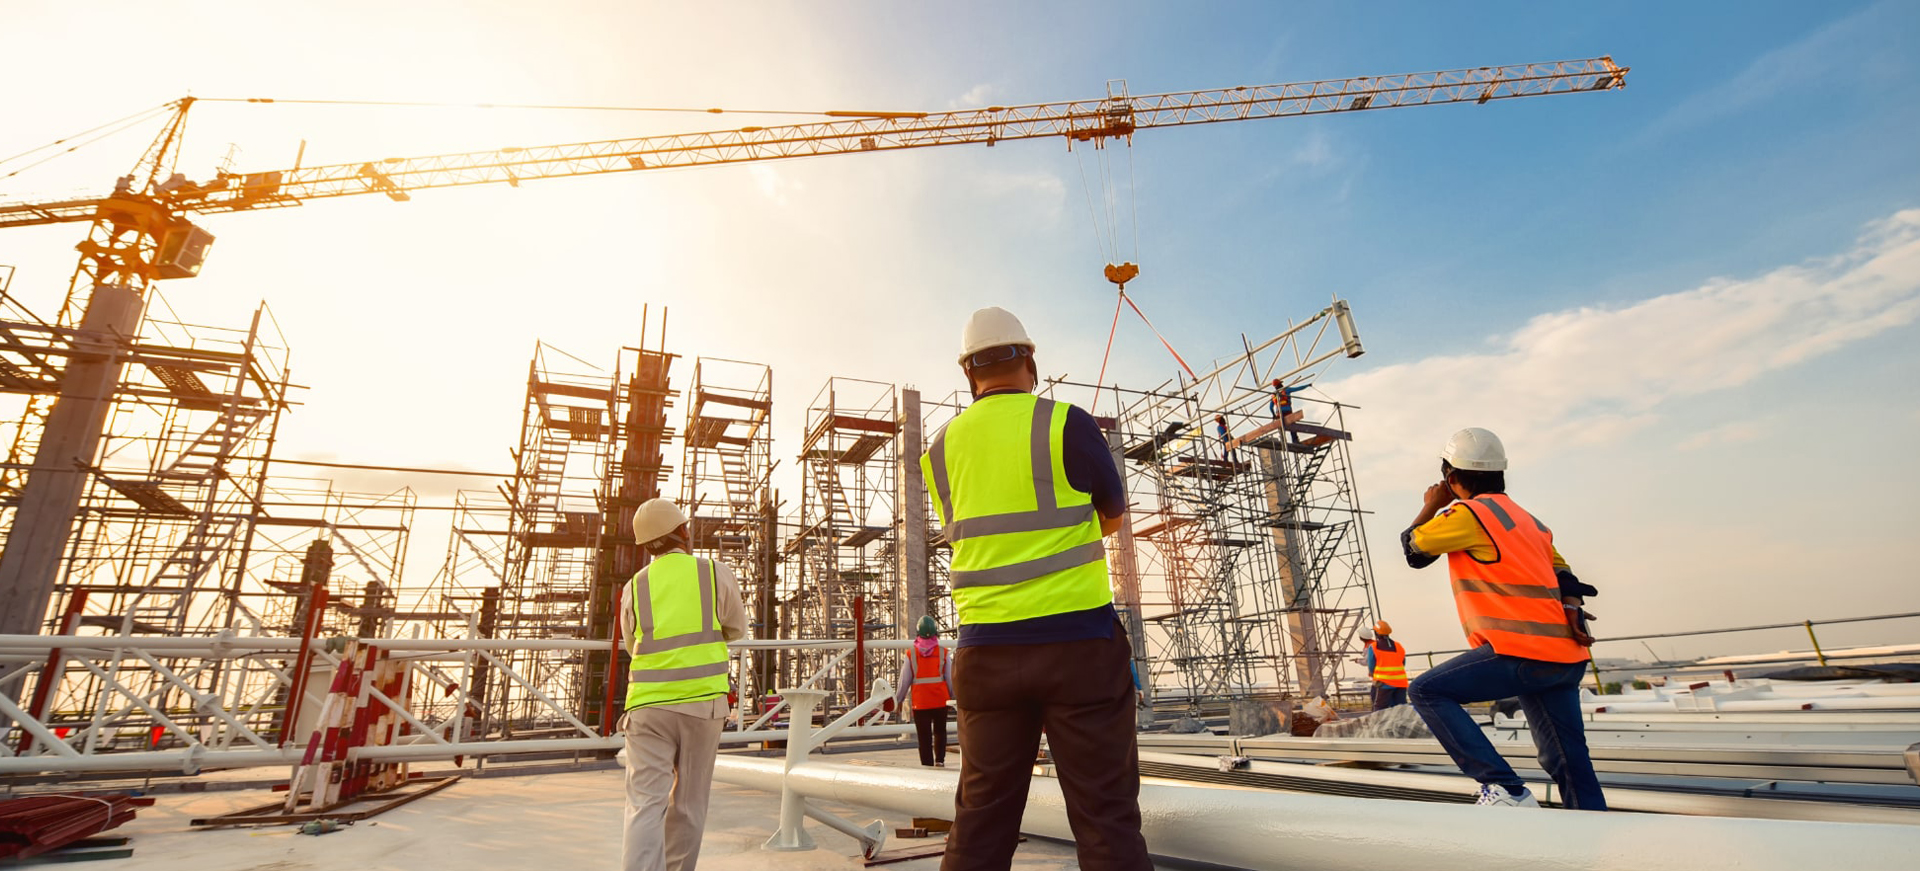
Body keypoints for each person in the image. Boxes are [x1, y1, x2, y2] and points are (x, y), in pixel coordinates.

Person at [922, 307, 1150, 871]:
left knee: (980, 819)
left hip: (985, 652)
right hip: (1079, 645)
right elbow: (1113, 515)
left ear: (968, 372)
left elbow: (968, 531)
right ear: (1030, 361)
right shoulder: (1065, 422)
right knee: (1105, 817)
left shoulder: (939, 448)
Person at [1401, 428, 1606, 810]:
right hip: (1564, 657)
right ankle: (1594, 831)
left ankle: (1504, 788)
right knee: (1569, 762)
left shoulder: (1467, 514)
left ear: (1451, 476)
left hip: (1519, 652)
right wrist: (1573, 607)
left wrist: (1431, 505)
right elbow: (1565, 574)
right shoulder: (1531, 522)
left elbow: (1414, 549)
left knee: (1427, 691)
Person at [617, 498, 749, 871]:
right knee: (689, 805)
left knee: (644, 805)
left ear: (647, 545)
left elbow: (631, 643)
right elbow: (737, 628)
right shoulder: (713, 573)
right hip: (702, 706)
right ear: (683, 532)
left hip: (646, 708)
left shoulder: (634, 586)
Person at [892, 615, 954, 767]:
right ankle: (939, 761)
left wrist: (898, 700)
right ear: (935, 633)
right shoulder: (943, 652)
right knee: (940, 731)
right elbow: (950, 678)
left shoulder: (911, 654)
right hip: (940, 700)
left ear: (918, 633)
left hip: (921, 702)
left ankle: (927, 765)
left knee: (923, 736)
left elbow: (904, 680)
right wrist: (952, 698)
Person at [1361, 621, 1408, 711]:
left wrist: (1373, 675)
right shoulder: (1398, 646)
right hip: (1400, 683)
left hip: (1383, 683)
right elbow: (1403, 663)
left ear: (1376, 633)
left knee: (1379, 708)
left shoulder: (1374, 647)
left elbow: (1371, 665)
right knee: (1401, 709)